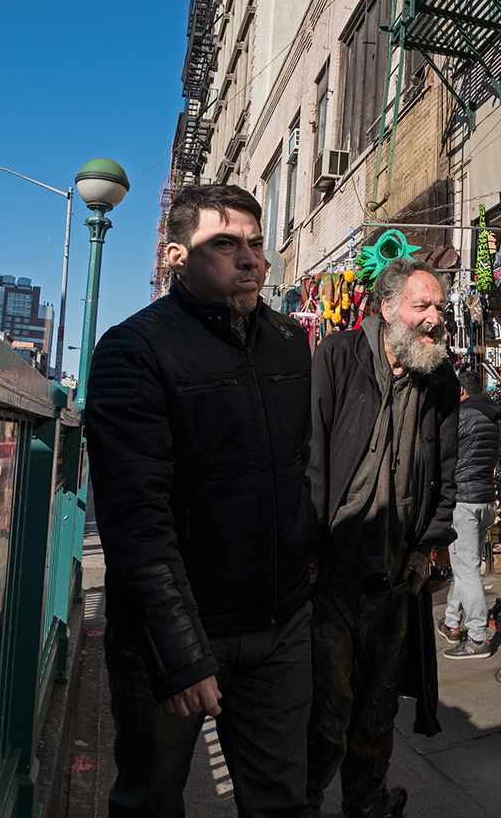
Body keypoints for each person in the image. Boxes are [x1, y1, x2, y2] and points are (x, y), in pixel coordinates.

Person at [85, 184, 316, 818]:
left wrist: (305, 569)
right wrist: (180, 653)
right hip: (172, 634)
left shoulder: (290, 343)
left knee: (281, 801)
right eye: (224, 244)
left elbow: (299, 470)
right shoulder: (134, 351)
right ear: (175, 256)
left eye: (255, 243)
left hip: (278, 626)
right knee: (151, 799)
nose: (249, 258)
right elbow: (135, 519)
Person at [305, 257, 460, 818]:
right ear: (387, 308)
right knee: (326, 716)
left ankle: (367, 806)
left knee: (376, 715)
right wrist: (309, 551)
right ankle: (304, 805)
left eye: (439, 307)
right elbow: (311, 460)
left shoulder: (440, 380)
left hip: (394, 582)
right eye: (424, 306)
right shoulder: (338, 358)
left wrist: (425, 549)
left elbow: (448, 473)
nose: (435, 318)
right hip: (332, 578)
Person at [437, 368, 501, 659]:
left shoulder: (461, 416)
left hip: (464, 501)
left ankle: (477, 638)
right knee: (464, 567)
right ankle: (452, 623)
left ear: (461, 391)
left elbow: (443, 456)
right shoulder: (493, 418)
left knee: (466, 571)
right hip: (486, 500)